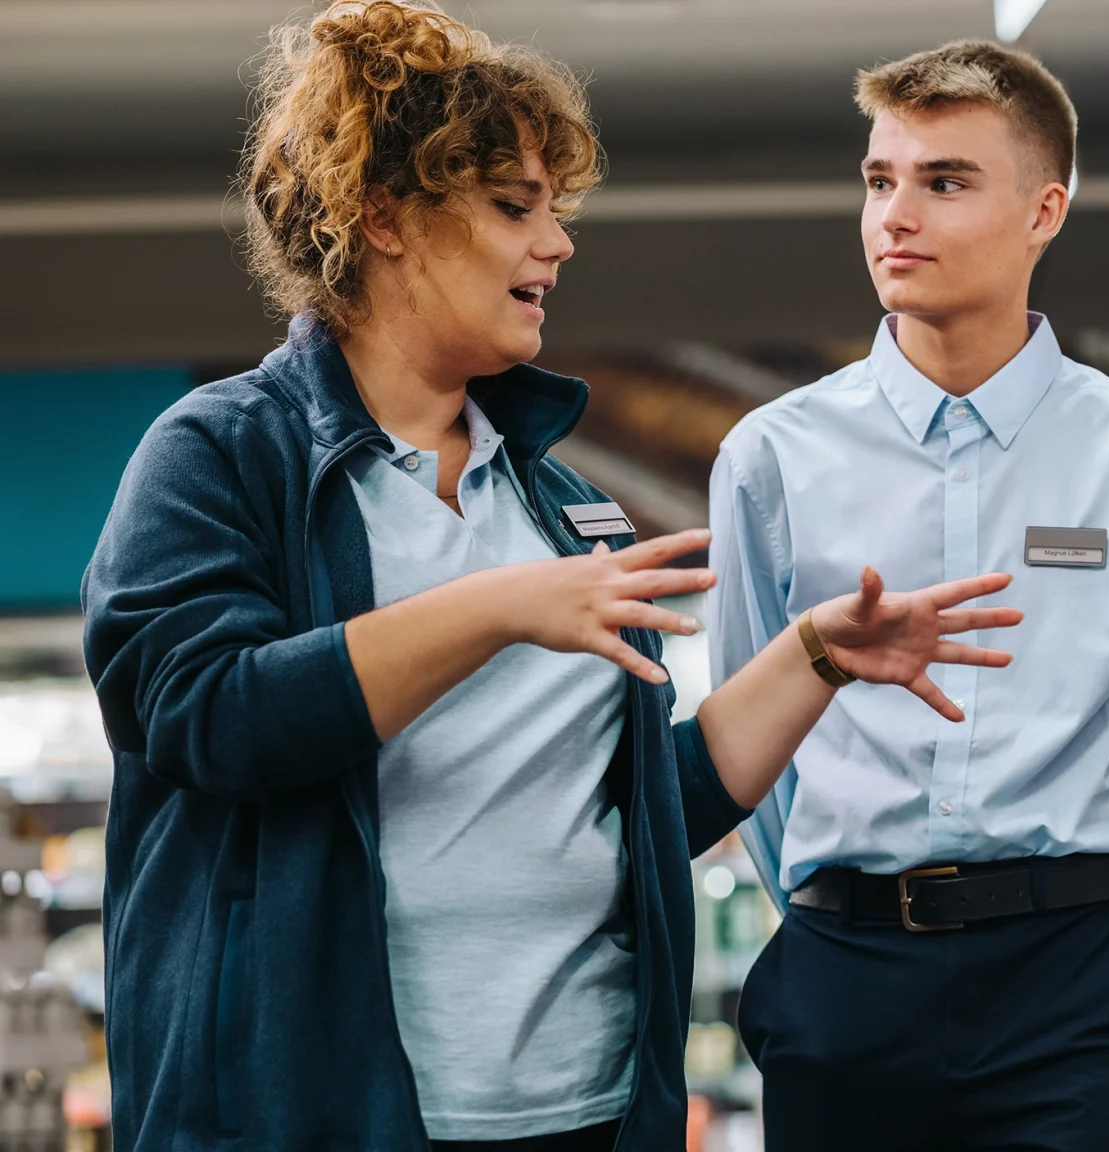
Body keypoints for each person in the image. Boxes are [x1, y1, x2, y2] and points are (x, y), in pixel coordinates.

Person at [80, 5, 1020, 1150]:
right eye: (514, 208)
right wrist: (498, 609)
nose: (557, 244)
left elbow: (630, 808)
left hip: (583, 1107)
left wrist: (817, 656)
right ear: (384, 218)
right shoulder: (224, 454)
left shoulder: (556, 499)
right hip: (323, 1109)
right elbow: (202, 716)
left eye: (554, 212)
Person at [708, 39, 1109, 1151]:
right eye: (878, 180)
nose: (893, 216)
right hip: (846, 979)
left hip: (1080, 986)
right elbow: (747, 747)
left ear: (1043, 211)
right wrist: (834, 924)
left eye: (943, 181)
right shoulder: (770, 459)